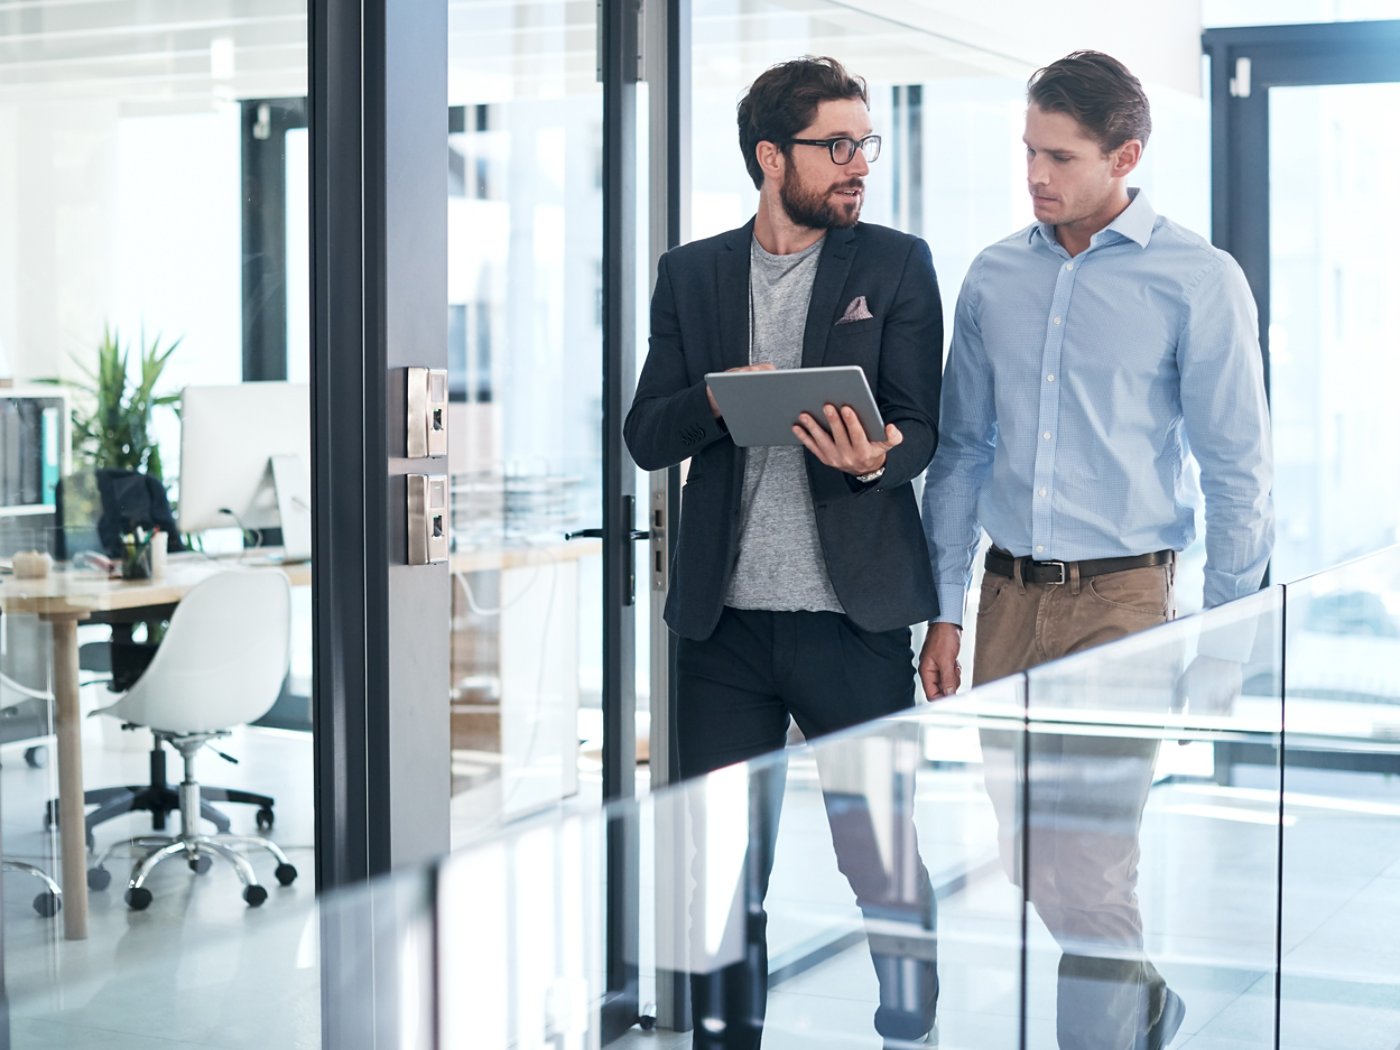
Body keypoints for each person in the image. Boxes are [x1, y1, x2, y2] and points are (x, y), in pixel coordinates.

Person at [919, 51, 1274, 1050]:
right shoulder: (992, 274)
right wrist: (944, 607)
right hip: (1004, 602)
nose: (1035, 176)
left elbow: (1235, 473)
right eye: (1027, 151)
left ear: (1125, 156)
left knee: (1091, 857)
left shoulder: (1196, 280)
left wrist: (1220, 644)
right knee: (1028, 856)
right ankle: (1143, 997)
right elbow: (959, 453)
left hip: (1123, 606)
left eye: (1059, 157)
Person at [625, 55, 942, 1050]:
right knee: (718, 873)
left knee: (879, 859)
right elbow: (645, 435)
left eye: (864, 144)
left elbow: (920, 426)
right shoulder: (692, 274)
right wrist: (720, 399)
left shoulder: (893, 263)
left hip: (853, 619)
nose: (858, 164)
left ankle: (908, 1028)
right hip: (722, 629)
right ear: (772, 157)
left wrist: (875, 458)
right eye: (835, 146)